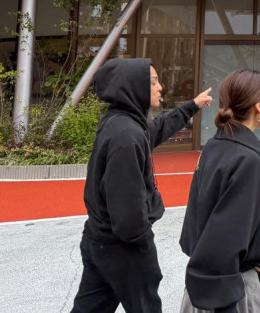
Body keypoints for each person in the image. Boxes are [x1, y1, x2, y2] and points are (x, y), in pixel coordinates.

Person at [71, 59, 213, 313]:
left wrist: (192, 105)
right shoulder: (127, 136)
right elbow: (127, 210)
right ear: (134, 86)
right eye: (154, 82)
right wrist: (142, 245)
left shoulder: (120, 121)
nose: (161, 87)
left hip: (99, 239)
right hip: (123, 249)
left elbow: (155, 130)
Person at [180, 70, 260, 312]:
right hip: (231, 290)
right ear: (258, 106)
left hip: (203, 285)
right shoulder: (248, 158)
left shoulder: (215, 145)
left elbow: (230, 207)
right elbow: (228, 237)